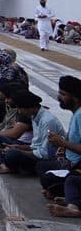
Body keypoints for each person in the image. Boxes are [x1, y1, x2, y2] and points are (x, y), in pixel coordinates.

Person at [0, 90, 64, 175]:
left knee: (12, 154)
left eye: (20, 108)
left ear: (30, 107)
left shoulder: (47, 121)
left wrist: (19, 151)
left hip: (47, 158)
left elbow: (44, 154)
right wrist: (19, 147)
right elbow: (35, 145)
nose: (19, 111)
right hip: (37, 152)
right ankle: (0, 161)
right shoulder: (34, 116)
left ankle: (8, 166)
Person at [42, 76, 81, 217]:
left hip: (75, 166)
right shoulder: (76, 113)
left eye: (63, 94)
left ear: (75, 98)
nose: (59, 97)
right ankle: (70, 197)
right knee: (44, 169)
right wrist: (63, 148)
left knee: (72, 179)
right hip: (70, 163)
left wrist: (63, 143)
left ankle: (74, 207)